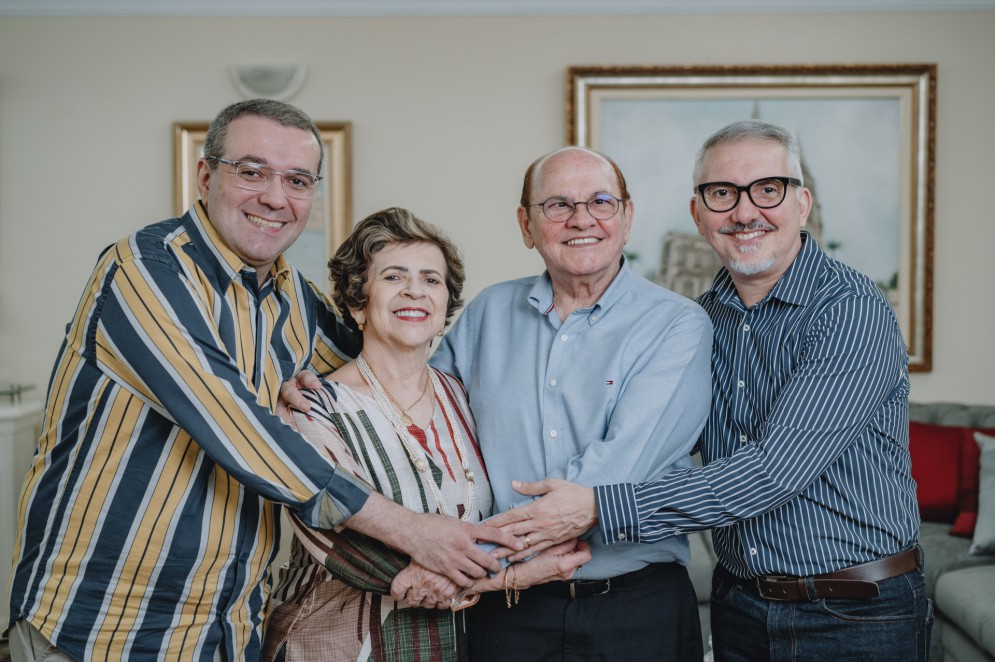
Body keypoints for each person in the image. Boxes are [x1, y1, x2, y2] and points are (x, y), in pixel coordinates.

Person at [5, 100, 517, 662]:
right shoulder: (146, 269)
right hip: (105, 621)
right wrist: (417, 534)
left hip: (230, 622)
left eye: (297, 180)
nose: (276, 198)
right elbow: (239, 431)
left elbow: (384, 350)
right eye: (252, 172)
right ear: (205, 177)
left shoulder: (295, 299)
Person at [494, 120, 929, 661]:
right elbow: (650, 439)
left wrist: (598, 506)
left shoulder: (850, 310)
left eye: (767, 189)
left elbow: (774, 471)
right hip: (740, 606)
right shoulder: (697, 322)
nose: (744, 212)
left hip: (854, 613)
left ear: (802, 204)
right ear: (698, 215)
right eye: (722, 193)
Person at [261, 207, 590, 661]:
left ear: (444, 309)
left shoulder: (464, 397)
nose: (415, 290)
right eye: (394, 277)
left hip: (452, 644)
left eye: (431, 279)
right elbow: (338, 535)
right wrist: (511, 577)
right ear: (358, 304)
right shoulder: (312, 405)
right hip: (333, 643)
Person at [423, 146, 713, 661]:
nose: (582, 219)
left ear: (626, 217)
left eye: (601, 202)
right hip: (510, 610)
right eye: (558, 204)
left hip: (636, 609)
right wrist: (335, 388)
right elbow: (418, 417)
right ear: (526, 225)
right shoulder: (488, 313)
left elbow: (617, 468)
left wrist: (467, 564)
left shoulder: (677, 324)